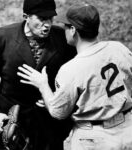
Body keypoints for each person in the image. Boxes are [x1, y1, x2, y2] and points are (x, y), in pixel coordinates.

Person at [17, 2, 132, 150]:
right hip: (128, 128)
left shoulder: (71, 69)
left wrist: (43, 85)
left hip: (94, 138)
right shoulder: (117, 48)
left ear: (73, 30)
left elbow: (58, 112)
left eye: (66, 26)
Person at [0, 0, 76, 149]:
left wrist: (63, 117)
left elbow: (75, 80)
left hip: (49, 130)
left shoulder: (62, 39)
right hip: (12, 128)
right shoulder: (0, 38)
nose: (48, 24)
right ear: (26, 16)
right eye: (42, 19)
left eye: (51, 18)